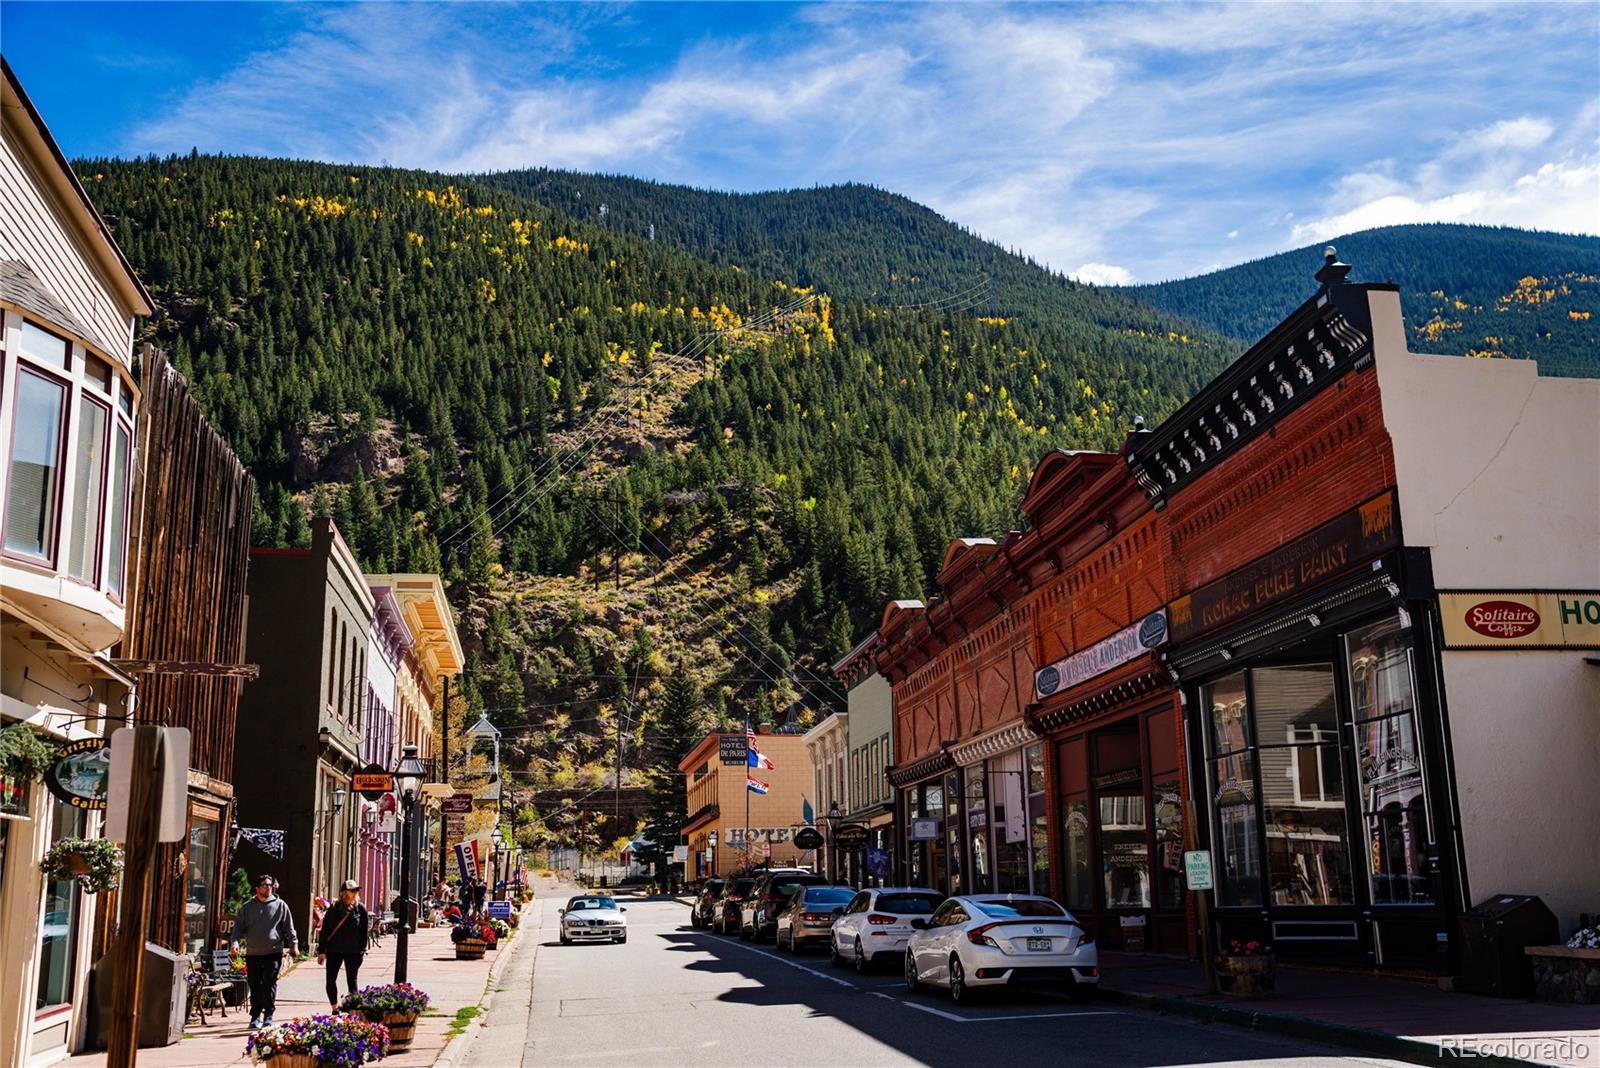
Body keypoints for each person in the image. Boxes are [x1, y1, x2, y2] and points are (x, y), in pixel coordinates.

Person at [234, 874, 298, 1030]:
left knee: (269, 984)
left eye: (270, 885)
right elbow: (238, 928)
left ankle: (268, 1015)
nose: (268, 888)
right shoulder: (247, 907)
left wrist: (294, 945)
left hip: (273, 952)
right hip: (253, 953)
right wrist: (235, 943)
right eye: (264, 885)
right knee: (255, 985)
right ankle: (255, 1016)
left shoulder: (281, 906)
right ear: (257, 888)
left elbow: (289, 928)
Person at [316, 879, 370, 1010]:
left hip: (353, 951)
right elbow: (325, 931)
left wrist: (362, 949)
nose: (355, 892)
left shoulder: (360, 909)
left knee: (352, 980)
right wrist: (321, 951)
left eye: (356, 890)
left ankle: (353, 1009)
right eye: (352, 890)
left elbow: (364, 931)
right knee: (330, 980)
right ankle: (334, 1008)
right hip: (334, 950)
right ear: (344, 893)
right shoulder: (334, 909)